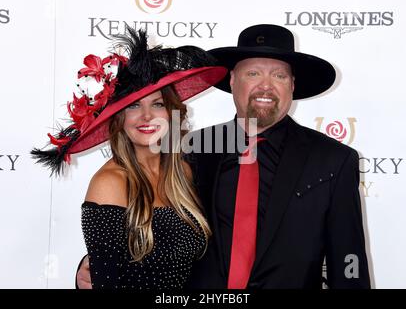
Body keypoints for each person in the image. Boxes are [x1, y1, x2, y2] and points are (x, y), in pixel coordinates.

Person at [77, 24, 371, 289]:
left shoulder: (333, 160)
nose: (266, 85)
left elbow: (349, 265)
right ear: (232, 80)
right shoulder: (192, 150)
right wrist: (92, 265)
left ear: (292, 85)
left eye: (279, 74)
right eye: (253, 73)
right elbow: (154, 228)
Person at [32, 28, 227, 289]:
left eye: (157, 104)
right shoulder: (110, 183)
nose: (147, 116)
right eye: (133, 106)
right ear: (119, 118)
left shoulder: (183, 172)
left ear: (170, 113)